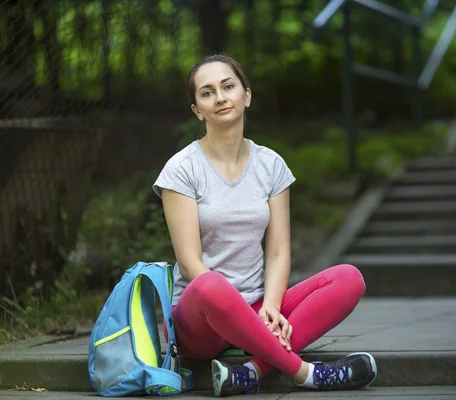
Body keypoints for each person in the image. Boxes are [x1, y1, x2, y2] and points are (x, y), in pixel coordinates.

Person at [152, 54, 377, 397]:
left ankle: (252, 371)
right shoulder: (182, 169)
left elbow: (277, 250)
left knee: (348, 278)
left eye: (228, 86)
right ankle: (305, 374)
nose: (221, 97)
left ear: (247, 95)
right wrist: (242, 313)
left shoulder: (271, 165)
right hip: (202, 318)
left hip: (258, 305)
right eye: (207, 92)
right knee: (211, 283)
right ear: (197, 109)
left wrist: (271, 305)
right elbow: (190, 263)